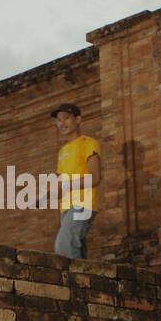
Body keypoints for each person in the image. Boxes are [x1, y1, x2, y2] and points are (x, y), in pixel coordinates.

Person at [51, 102, 101, 259]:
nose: (62, 123)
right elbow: (60, 185)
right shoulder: (62, 152)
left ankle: (72, 283)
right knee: (76, 248)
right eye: (59, 120)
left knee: (64, 244)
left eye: (66, 118)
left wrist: (67, 185)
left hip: (82, 203)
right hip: (65, 208)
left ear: (78, 120)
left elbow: (95, 177)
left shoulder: (88, 143)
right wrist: (45, 196)